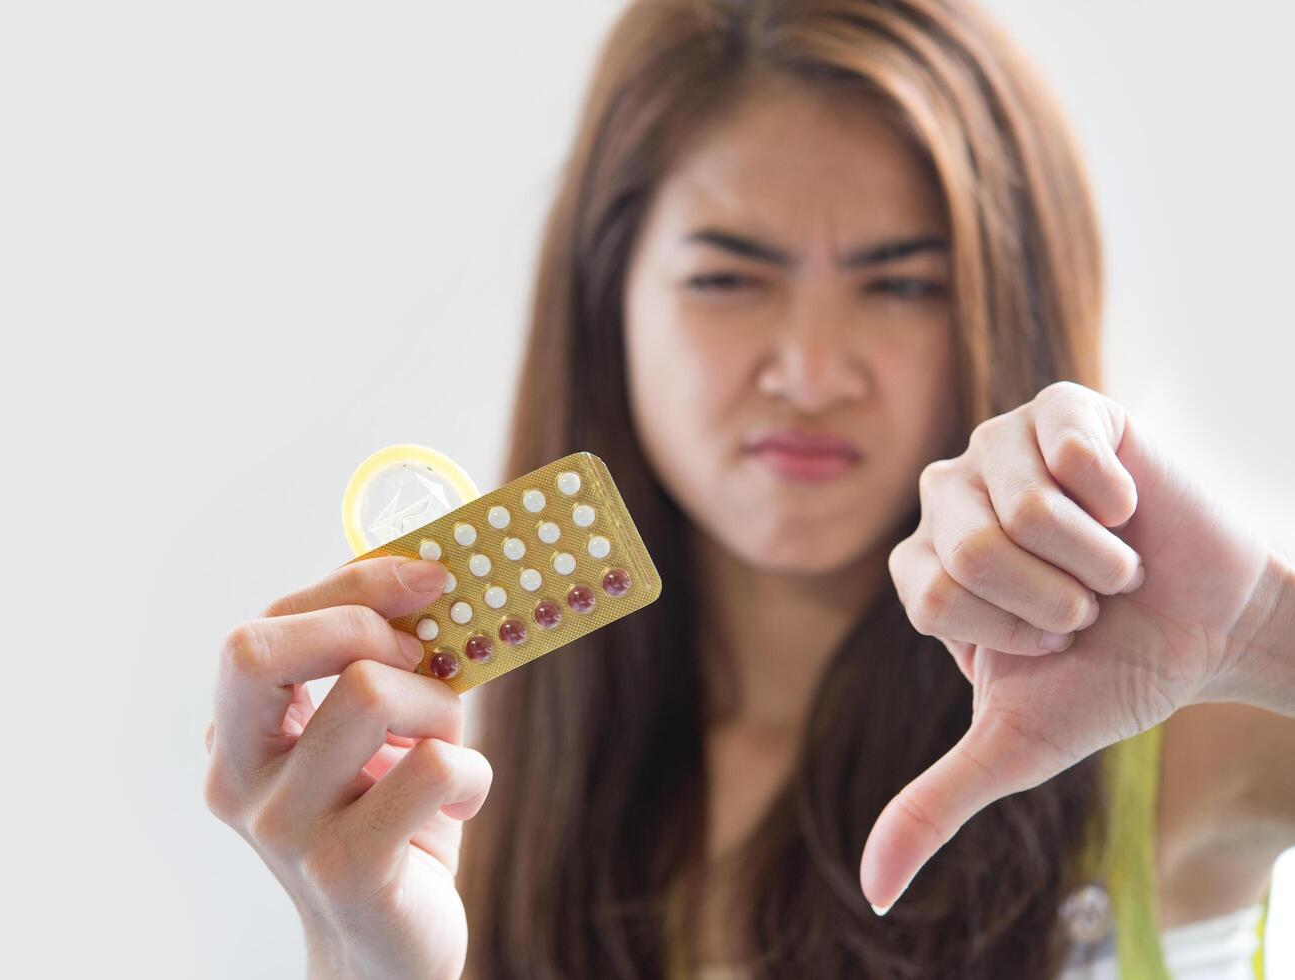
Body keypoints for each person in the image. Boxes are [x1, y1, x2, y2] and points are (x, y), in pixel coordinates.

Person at [202, 0, 1295, 976]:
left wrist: (1262, 634)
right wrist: (360, 962)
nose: (811, 370)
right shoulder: (455, 813)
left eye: (902, 283)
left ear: (998, 312)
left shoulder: (1173, 713)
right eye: (727, 277)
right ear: (607, 307)